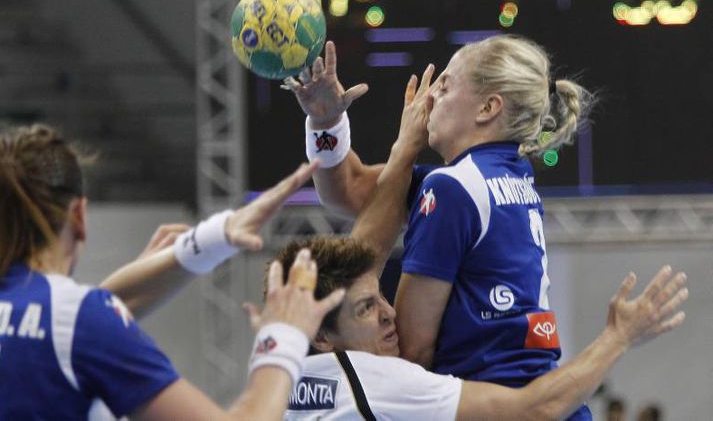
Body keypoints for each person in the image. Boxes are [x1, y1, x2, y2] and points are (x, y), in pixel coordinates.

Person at [274, 70, 688, 420]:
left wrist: (328, 124)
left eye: (446, 86)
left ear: (489, 108)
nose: (430, 97)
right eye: (367, 308)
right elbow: (534, 409)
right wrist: (618, 337)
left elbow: (357, 221)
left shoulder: (286, 375)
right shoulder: (386, 380)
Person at [0, 124, 344, 420]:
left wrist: (211, 239)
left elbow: (77, 319)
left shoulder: (69, 319)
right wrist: (284, 335)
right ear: (79, 216)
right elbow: (82, 320)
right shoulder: (81, 321)